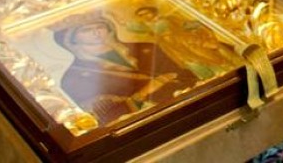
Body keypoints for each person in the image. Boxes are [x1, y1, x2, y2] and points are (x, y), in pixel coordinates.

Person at [55, 13, 200, 126]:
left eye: (100, 27)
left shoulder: (146, 48)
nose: (96, 33)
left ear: (109, 29)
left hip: (192, 103)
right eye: (86, 30)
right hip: (147, 123)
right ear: (71, 39)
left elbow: (188, 76)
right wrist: (144, 92)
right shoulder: (73, 77)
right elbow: (102, 117)